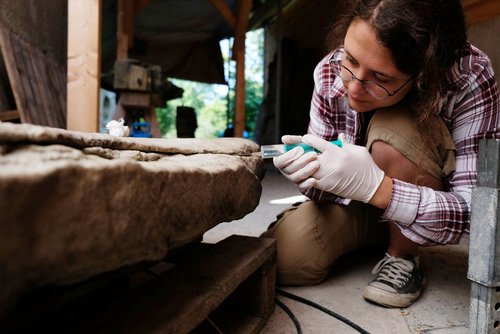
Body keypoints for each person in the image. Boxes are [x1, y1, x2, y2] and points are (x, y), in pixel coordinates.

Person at [263, 0, 500, 308]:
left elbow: (478, 217)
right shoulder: (329, 71)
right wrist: (307, 175)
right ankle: (387, 232)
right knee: (285, 259)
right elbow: (319, 195)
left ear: (423, 73)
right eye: (350, 59)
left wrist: (380, 189)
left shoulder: (469, 75)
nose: (354, 87)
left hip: (424, 190)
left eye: (381, 78)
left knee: (395, 125)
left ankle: (403, 253)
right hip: (357, 203)